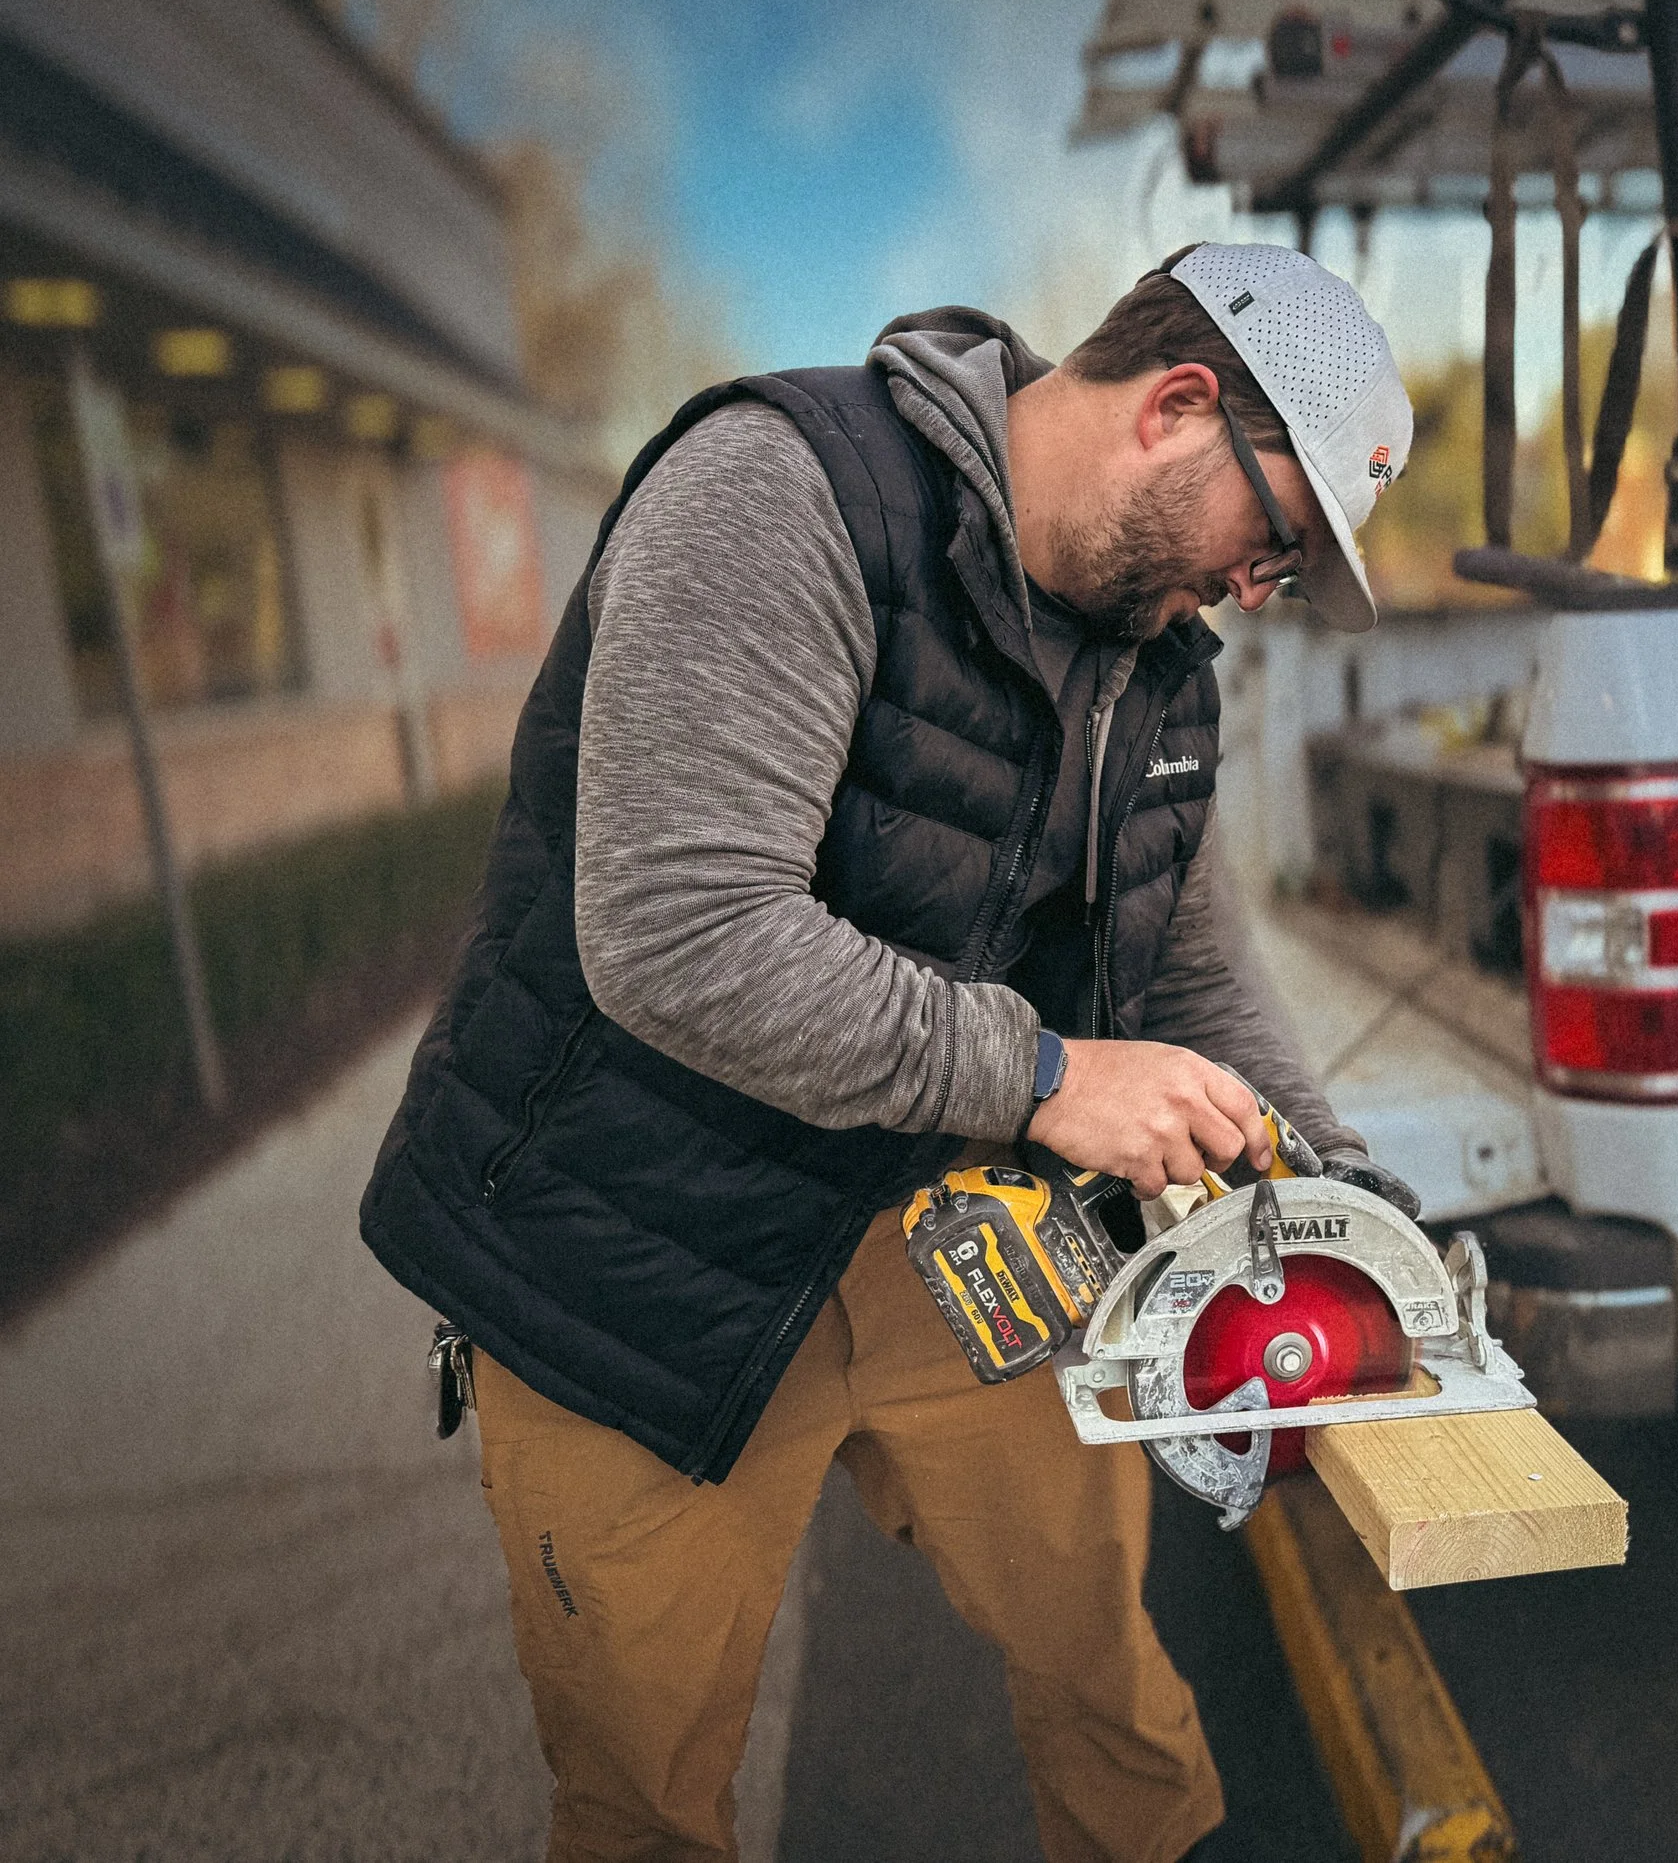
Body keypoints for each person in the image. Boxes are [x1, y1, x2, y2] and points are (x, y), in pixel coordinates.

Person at [360, 241, 1419, 1863]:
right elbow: (681, 936)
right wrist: (1059, 1079)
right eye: (1273, 540)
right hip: (638, 1252)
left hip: (956, 1241)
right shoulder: (779, 501)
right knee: (644, 1791)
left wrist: (1349, 1203)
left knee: (1112, 1688)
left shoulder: (1157, 665)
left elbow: (1192, 954)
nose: (1255, 595)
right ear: (1179, 406)